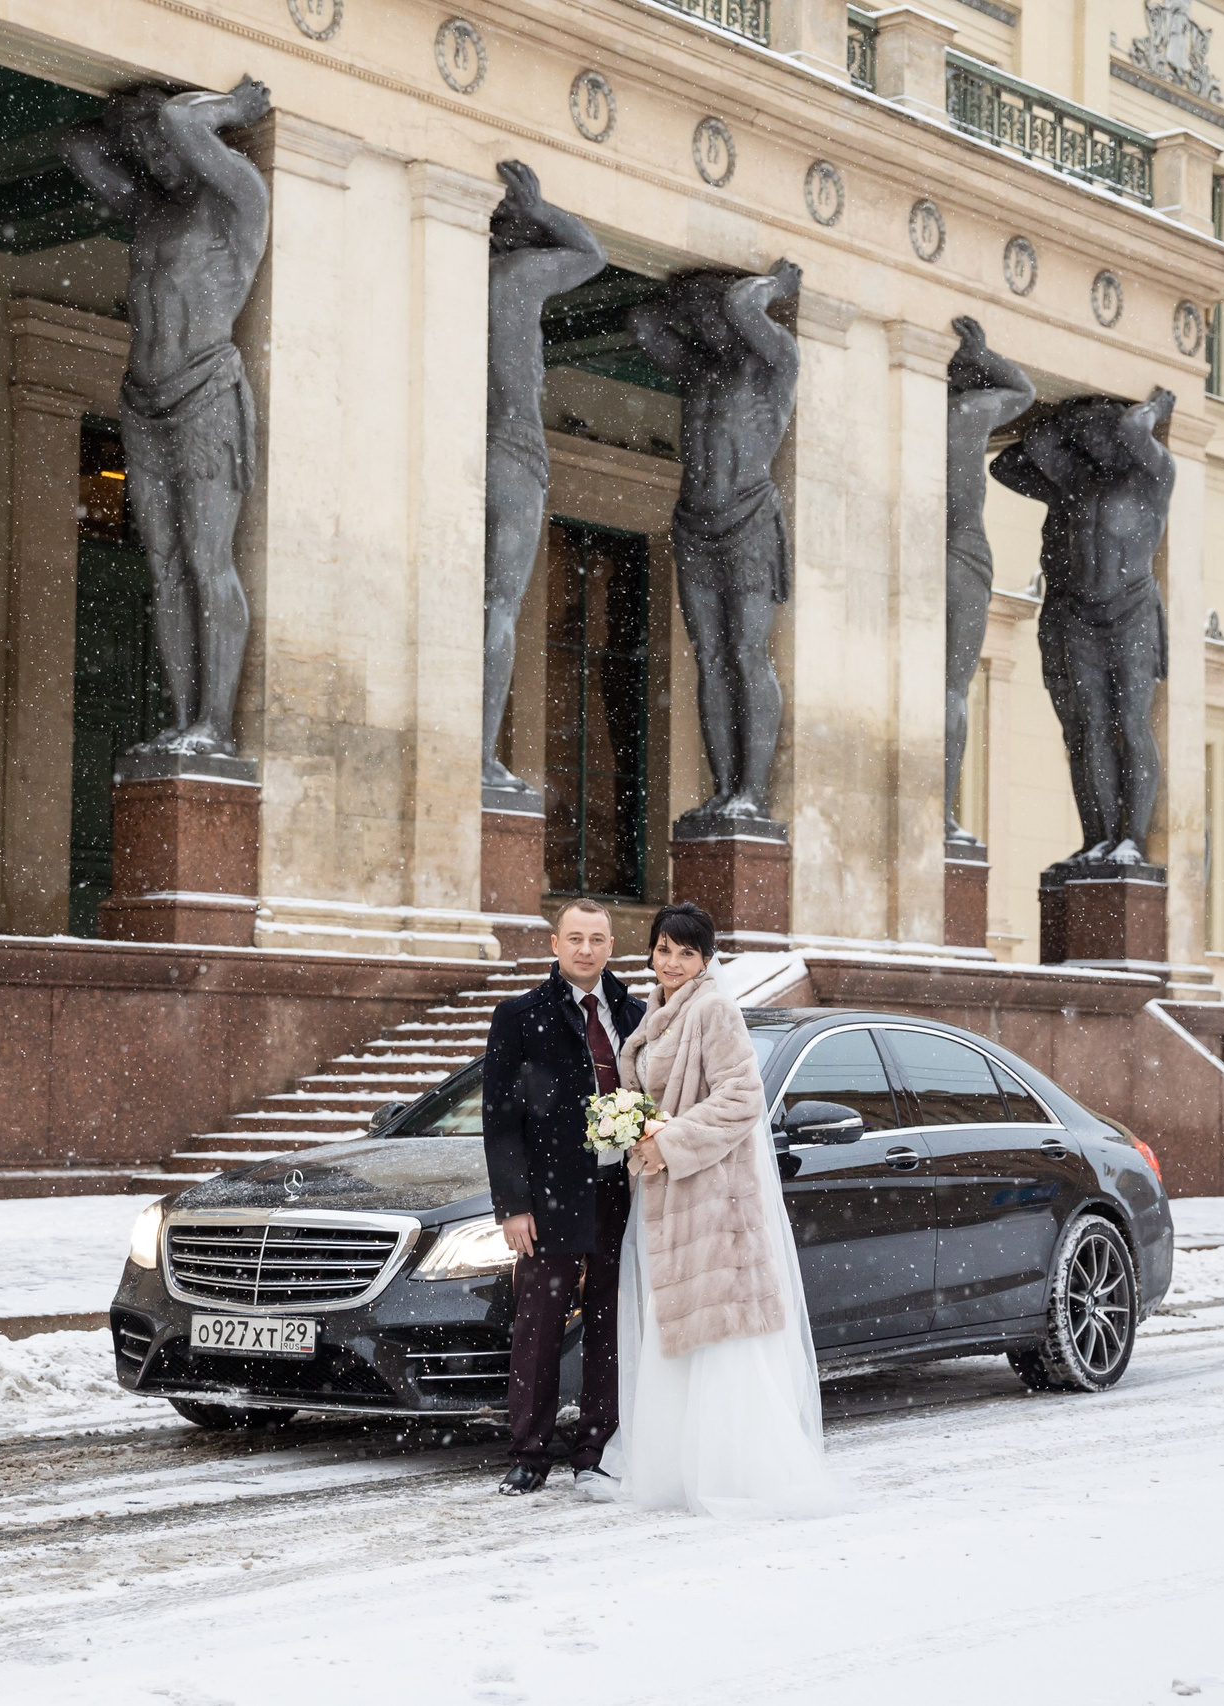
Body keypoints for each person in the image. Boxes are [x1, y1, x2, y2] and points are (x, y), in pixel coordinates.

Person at [597, 901, 843, 1519]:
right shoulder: (654, 1015)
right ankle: (680, 1469)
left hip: (712, 1202)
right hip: (665, 1200)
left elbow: (741, 1100)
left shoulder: (713, 1009)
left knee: (721, 1339)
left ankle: (737, 1472)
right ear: (650, 953)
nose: (673, 962)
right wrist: (626, 1129)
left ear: (706, 959)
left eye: (687, 952)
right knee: (679, 1330)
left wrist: (667, 1141)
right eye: (664, 950)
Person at [61, 78, 272, 759]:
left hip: (206, 390)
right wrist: (128, 123)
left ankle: (218, 723)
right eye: (142, 145)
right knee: (165, 565)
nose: (151, 153)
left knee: (208, 560)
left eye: (157, 140)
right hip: (142, 400)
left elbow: (184, 126)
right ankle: (187, 721)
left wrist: (229, 110)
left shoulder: (237, 199)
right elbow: (76, 145)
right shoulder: (150, 206)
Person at [480, 897, 644, 1497]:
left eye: (596, 939)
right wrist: (513, 1204)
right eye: (574, 938)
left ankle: (595, 1449)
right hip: (550, 1199)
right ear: (555, 944)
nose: (585, 949)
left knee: (610, 1324)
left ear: (609, 946)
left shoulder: (635, 1013)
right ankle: (528, 1454)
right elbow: (499, 1119)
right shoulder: (520, 1015)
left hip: (621, 1195)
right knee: (540, 1326)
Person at [629, 262, 801, 823]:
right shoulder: (698, 372)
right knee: (710, 659)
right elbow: (642, 322)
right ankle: (725, 788)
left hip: (748, 518)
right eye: (698, 314)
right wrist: (681, 298)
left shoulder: (774, 363)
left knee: (747, 653)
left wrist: (772, 286)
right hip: (695, 523)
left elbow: (746, 309)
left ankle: (752, 791)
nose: (702, 322)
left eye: (709, 311)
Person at [991, 388, 1178, 866]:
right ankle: (1098, 837)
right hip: (1079, 616)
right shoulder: (1075, 480)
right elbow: (1027, 448)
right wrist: (1070, 418)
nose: (1093, 440)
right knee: (1090, 727)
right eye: (1085, 435)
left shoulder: (1153, 474)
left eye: (1101, 430)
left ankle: (1132, 839)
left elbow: (1138, 430)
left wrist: (1153, 410)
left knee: (1132, 725)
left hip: (1131, 610)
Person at [481, 160, 604, 796]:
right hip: (513, 448)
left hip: (453, 445)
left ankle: (468, 751)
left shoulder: (463, 274)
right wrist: (542, 211)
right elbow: (592, 252)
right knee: (497, 606)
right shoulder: (518, 276)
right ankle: (477, 755)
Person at [942, 316, 1036, 837]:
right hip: (962, 551)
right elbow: (1024, 389)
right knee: (952, 687)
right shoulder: (970, 411)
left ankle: (933, 811)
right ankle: (941, 813)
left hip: (912, 546)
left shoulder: (920, 409)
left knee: (937, 686)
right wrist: (983, 354)